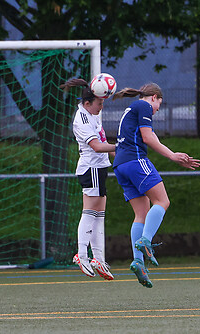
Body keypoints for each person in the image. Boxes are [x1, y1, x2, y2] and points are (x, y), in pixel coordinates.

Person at [111, 83, 200, 288]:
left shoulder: (131, 109)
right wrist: (172, 156)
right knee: (162, 201)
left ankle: (138, 262)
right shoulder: (143, 106)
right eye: (159, 103)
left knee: (141, 214)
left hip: (120, 165)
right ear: (154, 97)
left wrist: (172, 153)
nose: (158, 108)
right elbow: (148, 137)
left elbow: (152, 135)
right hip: (135, 160)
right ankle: (145, 240)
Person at [60, 78, 116, 280]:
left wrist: (117, 155)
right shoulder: (82, 119)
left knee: (99, 215)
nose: (101, 106)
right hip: (90, 168)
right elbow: (97, 147)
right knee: (89, 213)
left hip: (99, 169)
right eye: (99, 103)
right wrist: (121, 146)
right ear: (87, 104)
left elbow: (103, 142)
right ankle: (82, 255)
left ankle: (99, 259)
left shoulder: (93, 116)